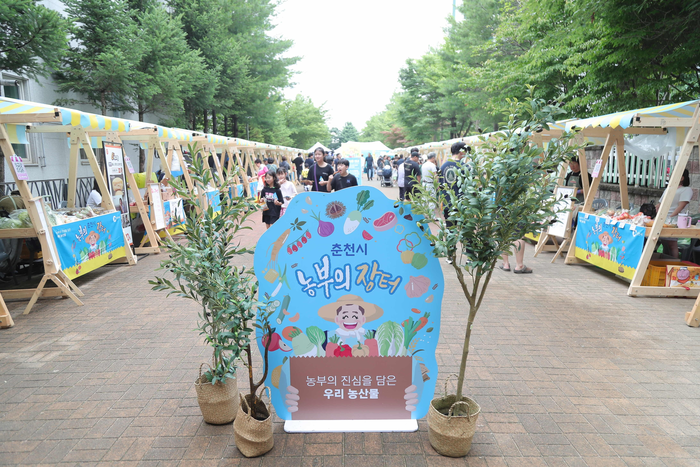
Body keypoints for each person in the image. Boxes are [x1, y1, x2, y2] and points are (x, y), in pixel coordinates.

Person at [439, 142, 471, 264]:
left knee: (450, 230)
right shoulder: (465, 167)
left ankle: (450, 256)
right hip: (463, 204)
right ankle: (469, 257)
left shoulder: (443, 166)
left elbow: (440, 186)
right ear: (461, 151)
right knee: (466, 231)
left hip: (448, 204)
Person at [656, 168, 692, 258]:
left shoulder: (686, 190)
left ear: (682, 178)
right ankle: (665, 262)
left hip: (673, 220)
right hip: (662, 219)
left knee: (672, 244)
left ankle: (673, 262)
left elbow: (681, 206)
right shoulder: (668, 188)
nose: (671, 177)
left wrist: (670, 217)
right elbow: (660, 204)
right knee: (664, 243)